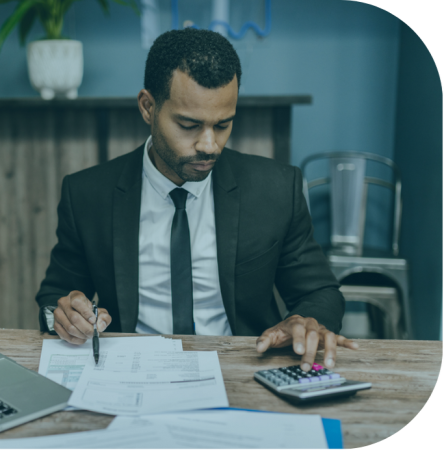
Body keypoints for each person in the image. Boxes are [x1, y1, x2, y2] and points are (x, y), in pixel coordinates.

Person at [35, 28, 358, 372]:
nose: (209, 145)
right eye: (189, 124)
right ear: (148, 107)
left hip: (244, 369)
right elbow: (54, 297)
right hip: (129, 371)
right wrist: (63, 316)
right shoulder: (88, 194)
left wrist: (304, 320)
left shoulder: (277, 188)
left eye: (223, 125)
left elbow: (322, 293)